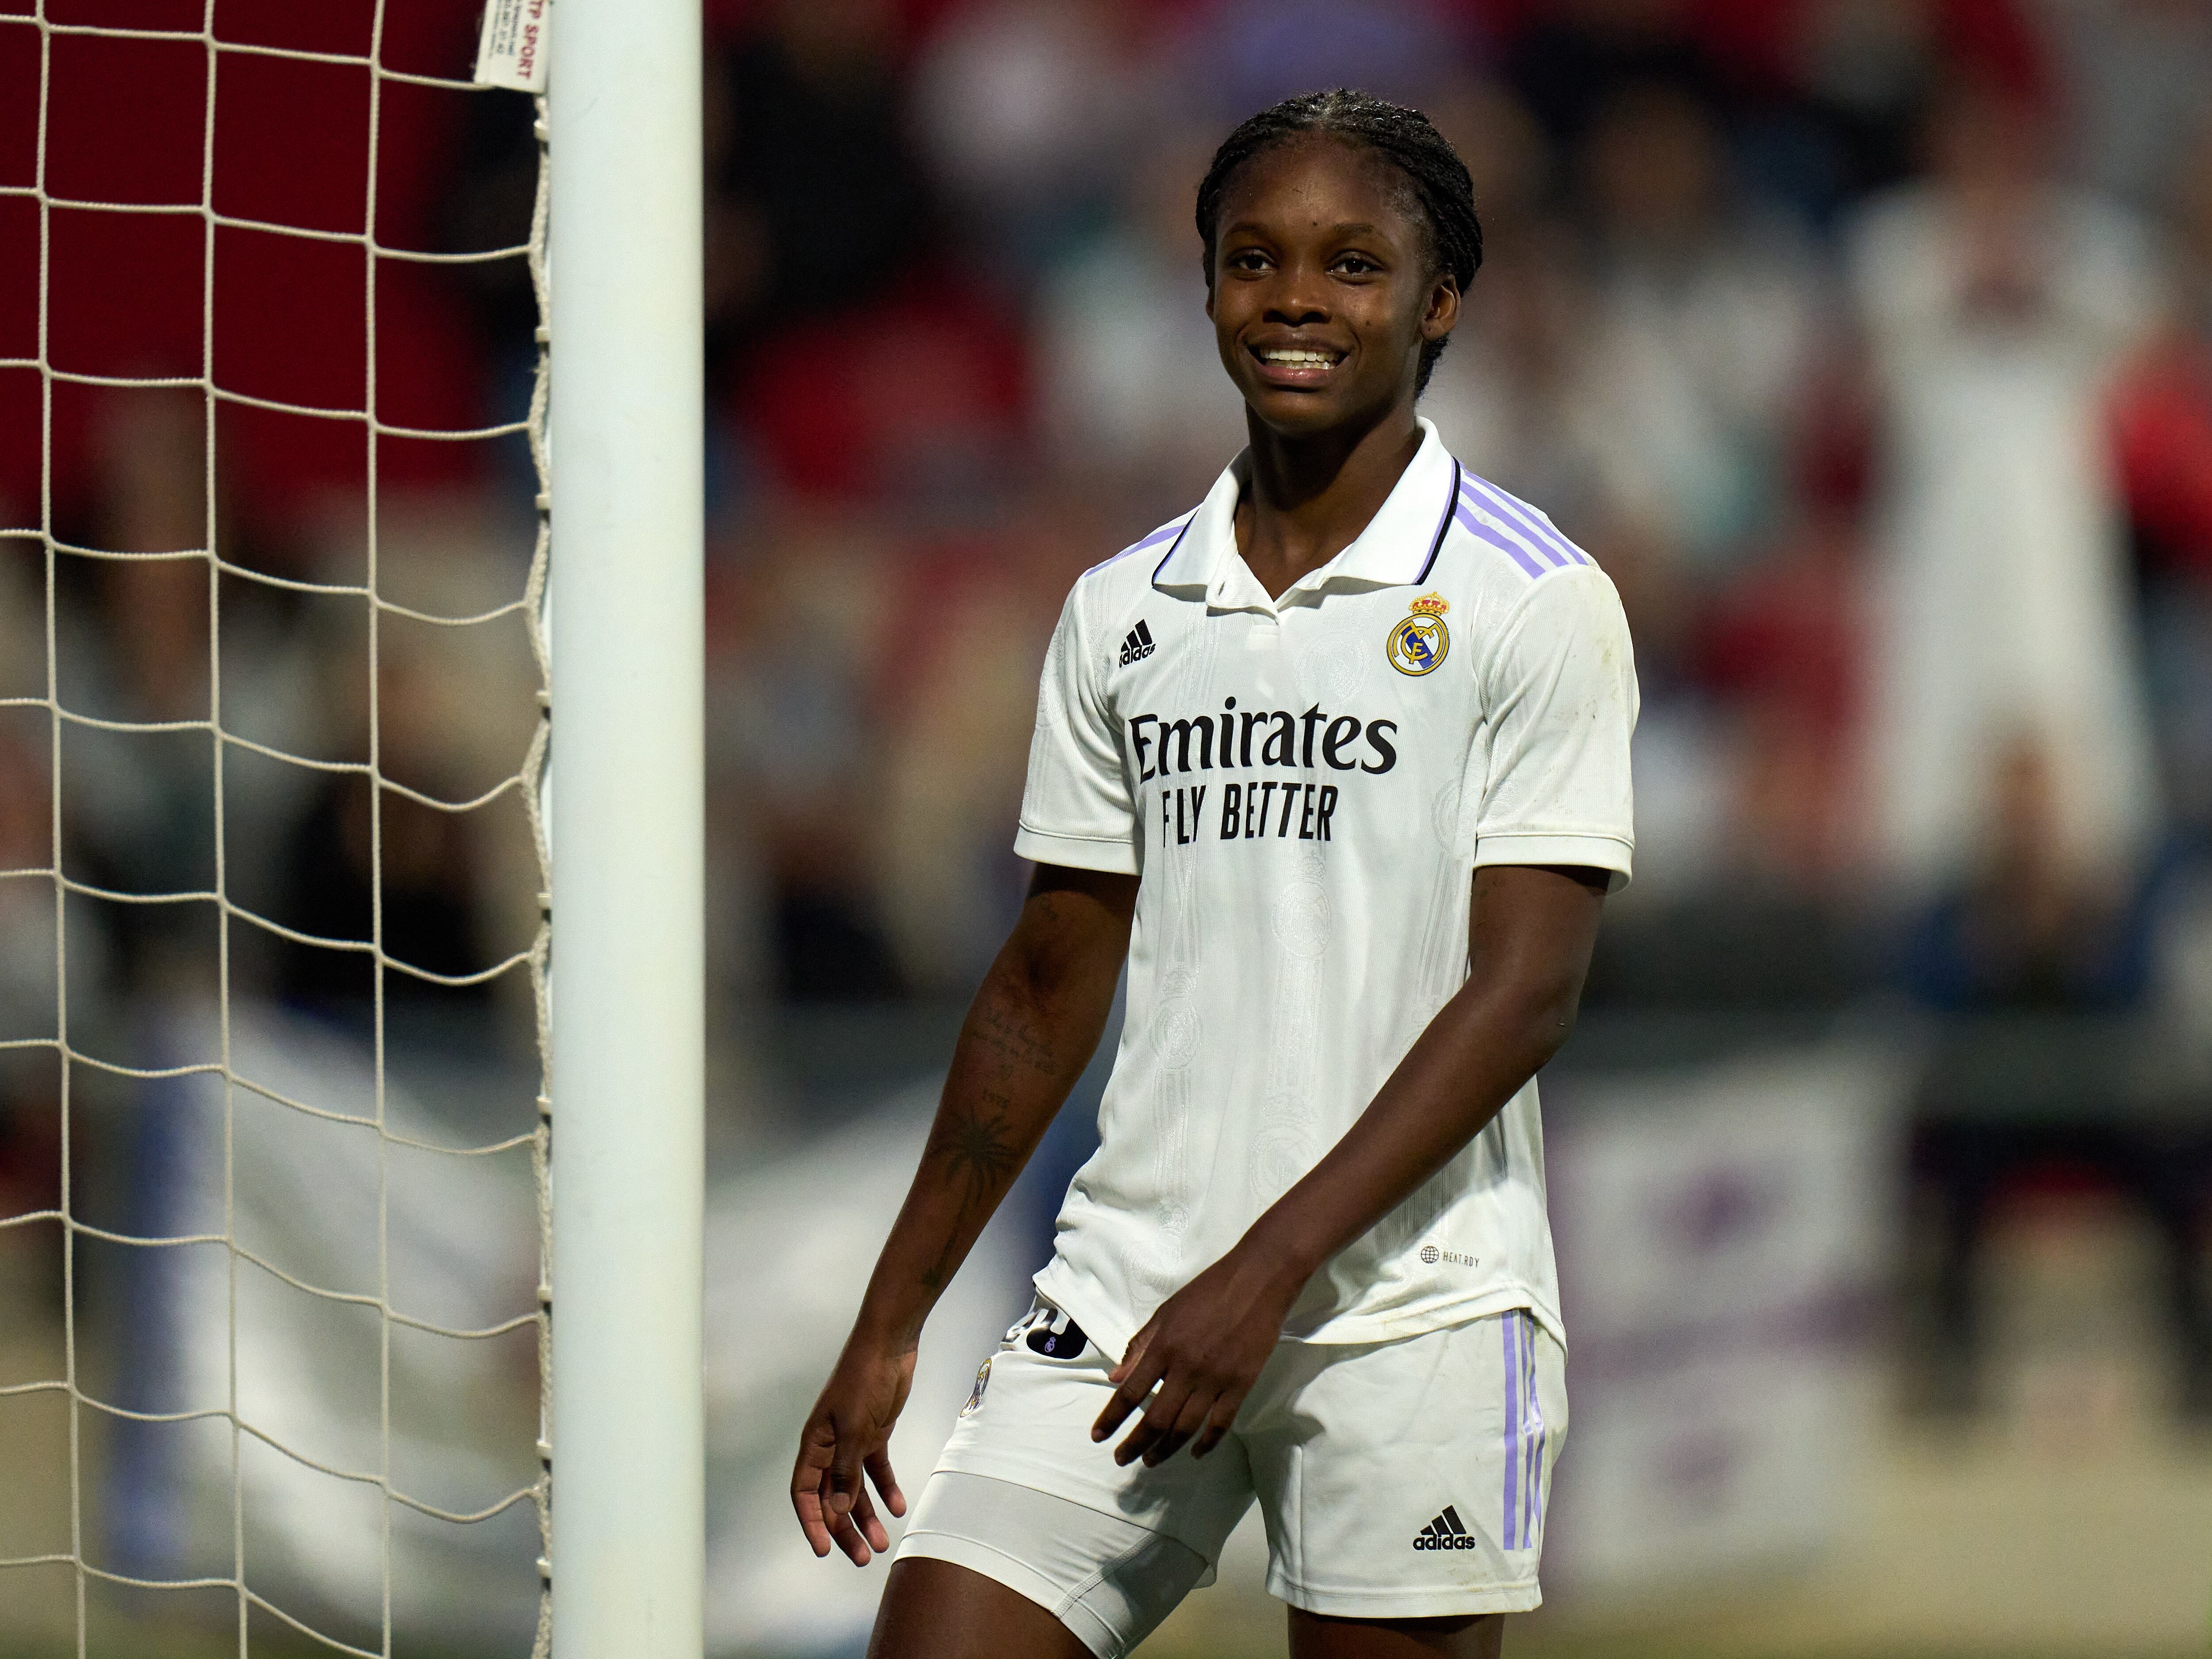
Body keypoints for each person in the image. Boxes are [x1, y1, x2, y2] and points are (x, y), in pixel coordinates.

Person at [792, 90, 1639, 1659]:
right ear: (1205, 291)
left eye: (1353, 265)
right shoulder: (1122, 611)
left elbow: (1528, 989)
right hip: (1132, 1296)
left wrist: (1274, 1269)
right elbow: (1049, 977)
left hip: (1416, 1313)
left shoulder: (1534, 601)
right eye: (1255, 259)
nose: (1298, 300)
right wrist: (894, 1317)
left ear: (1439, 300)